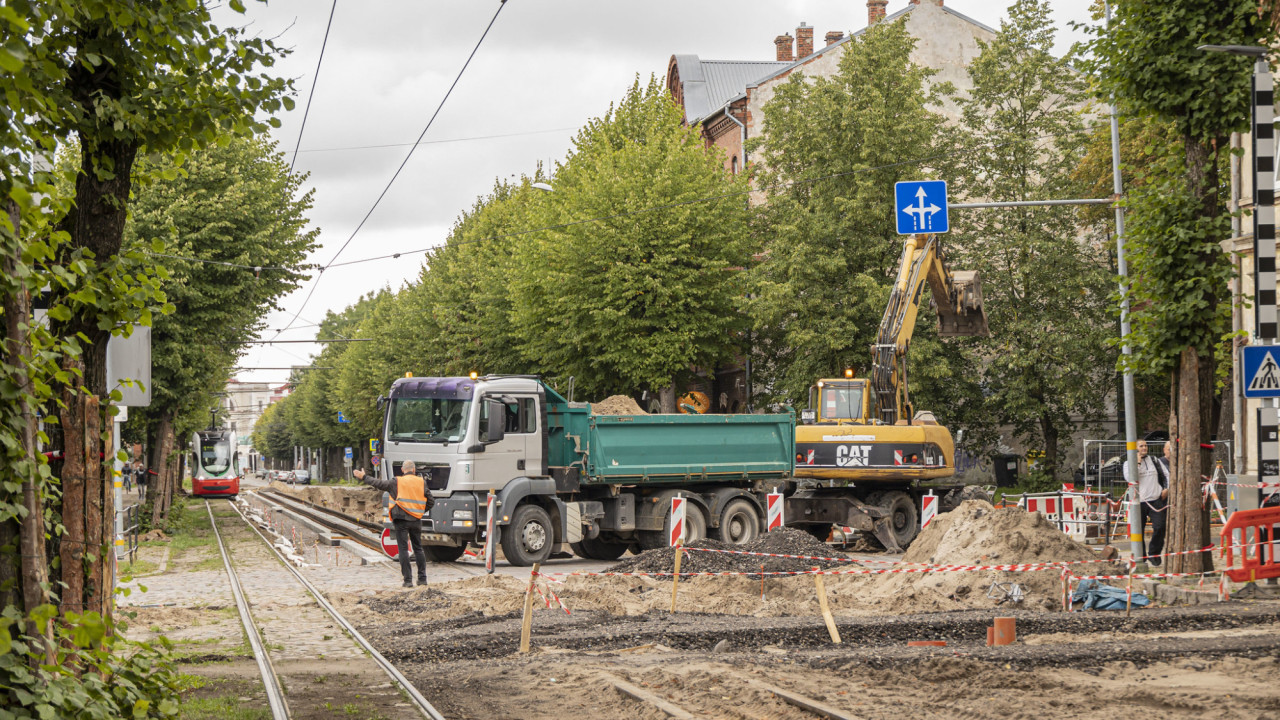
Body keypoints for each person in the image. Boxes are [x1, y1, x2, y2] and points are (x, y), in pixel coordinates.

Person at [354, 462, 431, 588]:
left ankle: (408, 581)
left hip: (401, 519)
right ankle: (422, 579)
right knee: (418, 548)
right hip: (416, 519)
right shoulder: (421, 482)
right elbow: (431, 501)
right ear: (414, 470)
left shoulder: (397, 482)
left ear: (402, 470)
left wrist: (364, 477)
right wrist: (420, 510)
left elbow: (379, 484)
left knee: (403, 549)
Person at [1122, 439, 1169, 566]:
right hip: (1139, 502)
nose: (1144, 448)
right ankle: (1141, 556)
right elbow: (1130, 478)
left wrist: (1167, 489)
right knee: (1138, 530)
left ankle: (1154, 554)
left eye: (1145, 445)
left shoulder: (1154, 460)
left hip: (1156, 500)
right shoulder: (1128, 464)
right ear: (1135, 449)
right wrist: (1137, 462)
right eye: (1141, 446)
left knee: (1160, 527)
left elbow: (1166, 475)